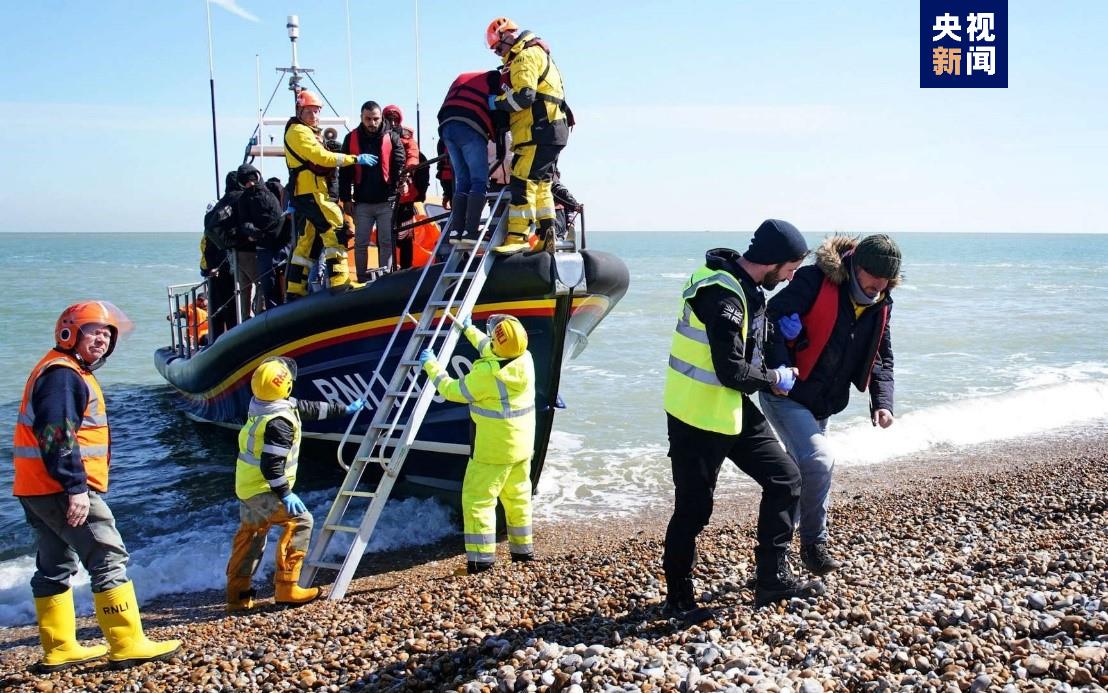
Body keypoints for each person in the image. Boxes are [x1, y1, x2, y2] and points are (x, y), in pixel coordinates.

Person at [662, 220, 824, 620]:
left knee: (785, 478)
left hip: (731, 408)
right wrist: (774, 379)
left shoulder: (747, 287)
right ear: (773, 261)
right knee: (694, 509)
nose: (788, 278)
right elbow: (731, 370)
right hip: (696, 413)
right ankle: (678, 597)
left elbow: (752, 349)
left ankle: (771, 579)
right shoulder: (721, 294)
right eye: (789, 269)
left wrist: (792, 339)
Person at [13, 302, 181, 670]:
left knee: (55, 565)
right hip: (61, 487)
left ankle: (59, 649)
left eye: (108, 334)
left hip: (36, 487)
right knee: (107, 557)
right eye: (94, 331)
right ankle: (127, 642)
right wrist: (75, 488)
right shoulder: (62, 374)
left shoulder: (61, 370)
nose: (102, 339)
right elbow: (56, 435)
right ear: (69, 332)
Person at [760, 234, 901, 576]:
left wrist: (883, 403)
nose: (878, 286)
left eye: (886, 281)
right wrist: (779, 366)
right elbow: (769, 318)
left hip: (824, 402)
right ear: (856, 266)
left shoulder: (882, 301)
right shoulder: (813, 280)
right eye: (873, 277)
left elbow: (881, 356)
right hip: (787, 394)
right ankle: (813, 544)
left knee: (804, 472)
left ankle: (774, 563)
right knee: (819, 461)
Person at [225, 357, 365, 611]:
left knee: (252, 536)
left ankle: (237, 596)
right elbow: (271, 466)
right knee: (300, 521)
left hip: (247, 487)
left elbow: (308, 408)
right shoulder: (279, 424)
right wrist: (285, 493)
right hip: (264, 488)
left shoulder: (262, 405)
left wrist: (344, 409)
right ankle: (288, 587)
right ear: (286, 386)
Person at [420, 315, 536, 574]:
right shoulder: (524, 359)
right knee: (518, 498)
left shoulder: (487, 374)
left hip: (492, 450)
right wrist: (469, 330)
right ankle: (523, 551)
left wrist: (431, 366)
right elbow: (492, 349)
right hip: (522, 446)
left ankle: (480, 562)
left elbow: (451, 390)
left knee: (478, 502)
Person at [487, 17, 572, 254]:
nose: (497, 53)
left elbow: (524, 96)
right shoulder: (539, 54)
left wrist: (498, 102)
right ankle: (548, 233)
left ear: (507, 36)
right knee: (542, 186)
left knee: (522, 182)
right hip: (550, 130)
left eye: (498, 48)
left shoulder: (524, 57)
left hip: (539, 130)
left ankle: (518, 236)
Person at [284, 89, 373, 298]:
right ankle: (339, 281)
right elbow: (321, 157)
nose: (314, 116)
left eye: (316, 112)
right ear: (299, 110)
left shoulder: (305, 131)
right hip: (313, 191)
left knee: (307, 241)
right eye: (309, 112)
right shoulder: (299, 132)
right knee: (337, 228)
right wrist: (354, 159)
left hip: (307, 192)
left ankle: (295, 289)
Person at [436, 70, 506, 244]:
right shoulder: (494, 78)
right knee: (479, 180)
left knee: (462, 181)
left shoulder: (463, 78)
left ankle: (456, 232)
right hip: (469, 126)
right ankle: (471, 231)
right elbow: (498, 111)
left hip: (446, 127)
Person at [339, 100, 405, 277]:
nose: (372, 123)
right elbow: (344, 172)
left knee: (385, 241)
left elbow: (400, 162)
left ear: (380, 117)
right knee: (360, 243)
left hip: (386, 201)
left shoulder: (392, 137)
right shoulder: (351, 138)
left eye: (375, 119)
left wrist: (401, 182)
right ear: (361, 117)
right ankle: (361, 277)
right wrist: (346, 199)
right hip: (362, 202)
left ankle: (386, 278)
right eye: (368, 119)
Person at [233, 164, 285, 312]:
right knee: (267, 280)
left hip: (281, 243)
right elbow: (245, 222)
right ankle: (271, 311)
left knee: (283, 276)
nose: (250, 183)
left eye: (251, 179)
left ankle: (284, 306)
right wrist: (256, 233)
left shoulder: (272, 189)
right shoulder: (244, 199)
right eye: (246, 181)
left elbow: (280, 214)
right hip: (263, 245)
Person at [203, 171, 244, 335]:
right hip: (231, 262)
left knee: (221, 307)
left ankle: (219, 336)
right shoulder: (240, 201)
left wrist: (210, 267)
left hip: (218, 266)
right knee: (232, 304)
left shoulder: (215, 210)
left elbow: (208, 242)